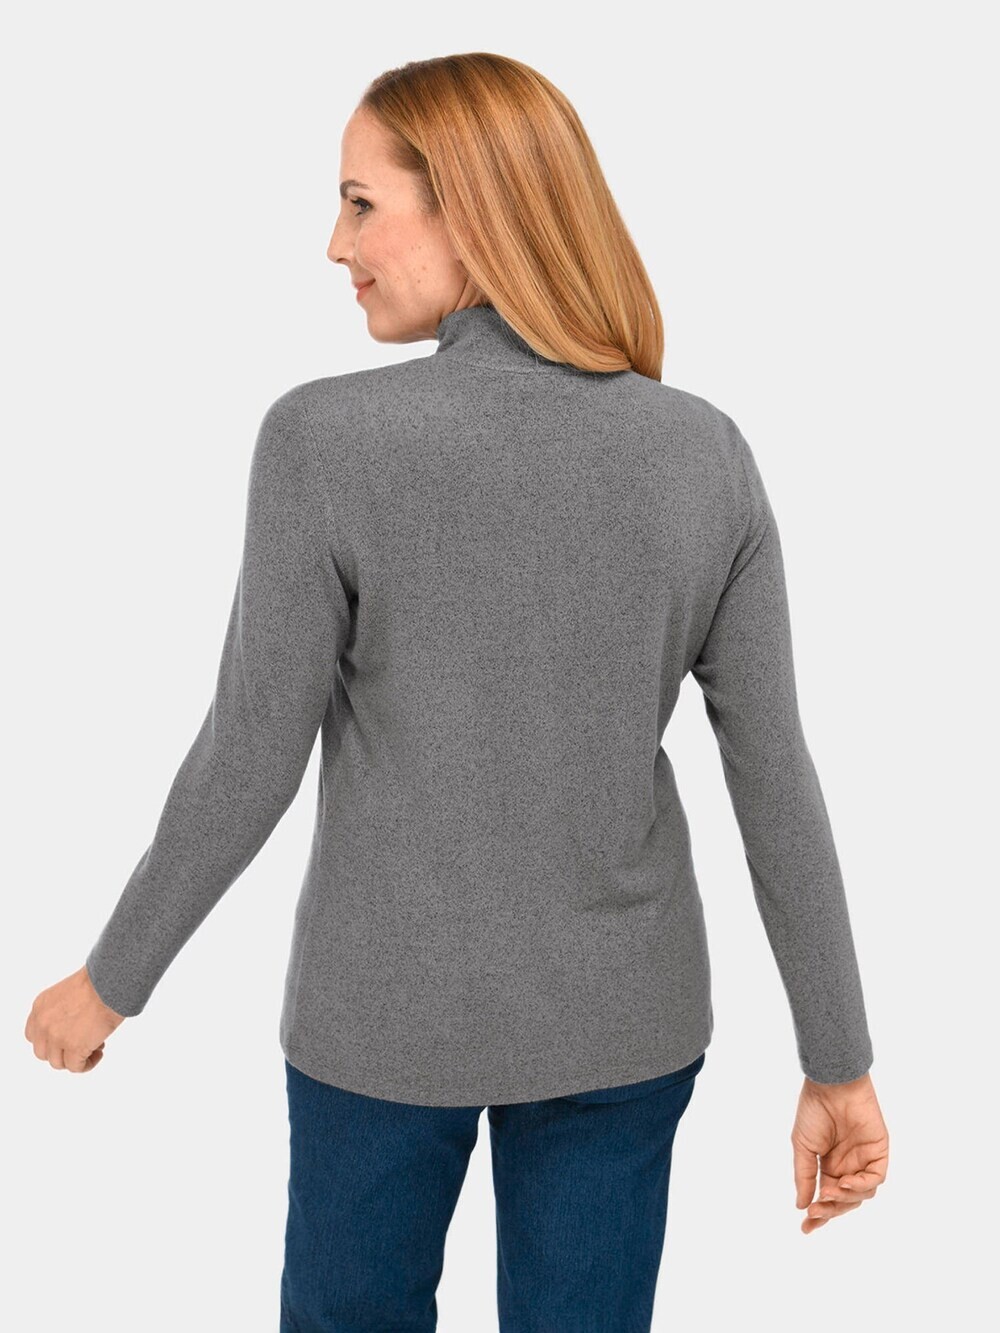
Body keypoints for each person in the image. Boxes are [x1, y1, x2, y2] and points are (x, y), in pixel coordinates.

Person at [25, 51, 889, 1331]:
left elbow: (249, 754)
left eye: (360, 203)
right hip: (623, 1020)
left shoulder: (323, 440)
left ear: (471, 208)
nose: (334, 244)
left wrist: (111, 978)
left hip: (380, 1026)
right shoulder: (701, 451)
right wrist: (839, 1062)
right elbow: (776, 775)